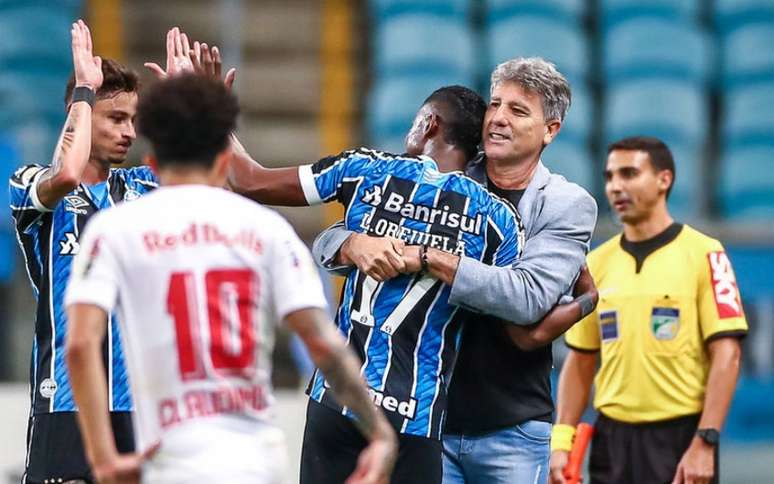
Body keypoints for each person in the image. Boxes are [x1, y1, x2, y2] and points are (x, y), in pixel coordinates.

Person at [63, 74, 397, 484]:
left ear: (151, 163)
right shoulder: (267, 230)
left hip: (167, 464)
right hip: (253, 464)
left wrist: (104, 461)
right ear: (225, 160)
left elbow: (79, 345)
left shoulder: (113, 229)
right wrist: (379, 433)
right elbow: (323, 345)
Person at [312, 57, 598, 483]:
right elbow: (330, 239)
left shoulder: (567, 204)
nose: (498, 118)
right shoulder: (446, 172)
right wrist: (355, 244)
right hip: (428, 421)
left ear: (550, 131)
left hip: (512, 429)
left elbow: (526, 298)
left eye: (518, 111)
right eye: (495, 104)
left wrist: (430, 257)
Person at [225, 84, 529, 484]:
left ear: (429, 123)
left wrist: (217, 113)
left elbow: (250, 181)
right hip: (416, 416)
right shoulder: (498, 220)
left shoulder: (367, 169)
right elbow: (519, 310)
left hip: (337, 402)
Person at [8, 20, 157, 483]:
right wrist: (84, 96)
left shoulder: (143, 187)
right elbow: (68, 174)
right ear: (85, 115)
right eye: (116, 118)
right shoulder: (30, 183)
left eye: (133, 120)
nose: (129, 131)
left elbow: (220, 180)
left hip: (137, 399)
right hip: (63, 398)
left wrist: (186, 109)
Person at [551, 137, 748, 484]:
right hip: (611, 441)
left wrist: (706, 440)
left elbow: (727, 355)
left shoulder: (705, 253)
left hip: (679, 439)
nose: (615, 186)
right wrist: (561, 442)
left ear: (664, 180)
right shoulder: (595, 263)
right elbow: (580, 359)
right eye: (610, 176)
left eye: (629, 174)